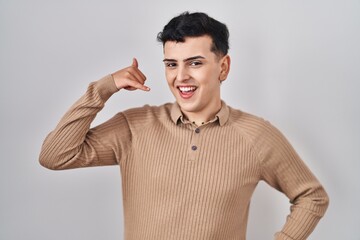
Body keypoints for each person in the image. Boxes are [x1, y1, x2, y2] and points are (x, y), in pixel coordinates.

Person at [39, 11, 329, 240]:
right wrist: (104, 87)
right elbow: (55, 156)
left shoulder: (256, 136)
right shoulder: (135, 126)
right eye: (171, 64)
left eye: (195, 63)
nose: (181, 77)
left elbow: (311, 196)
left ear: (223, 67)